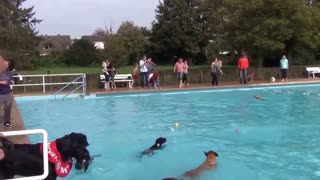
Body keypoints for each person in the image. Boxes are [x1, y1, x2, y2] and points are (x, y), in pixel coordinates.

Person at [0, 58, 14, 128]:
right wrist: (1, 82)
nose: (6, 65)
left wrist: (12, 82)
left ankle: (7, 123)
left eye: (7, 64)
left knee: (8, 109)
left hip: (8, 93)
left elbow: (12, 80)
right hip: (0, 94)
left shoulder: (9, 72)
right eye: (4, 64)